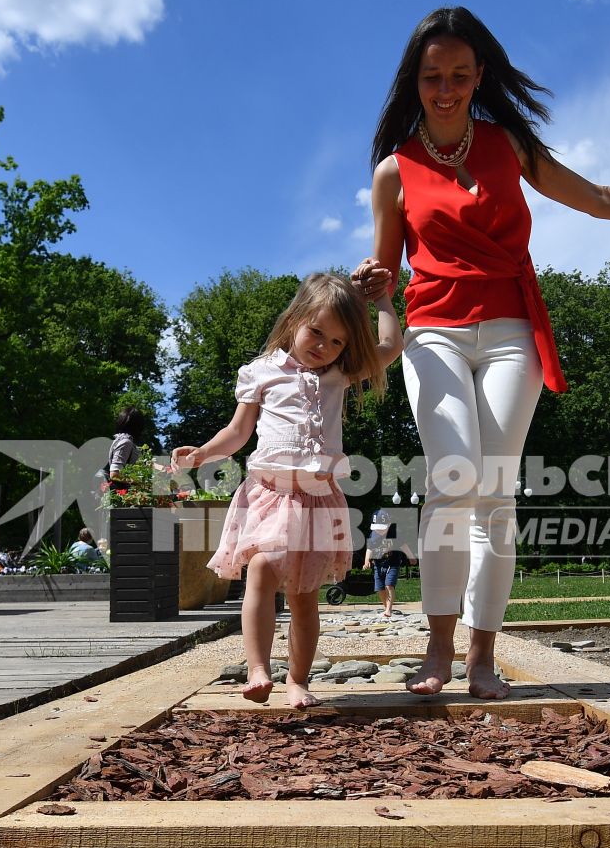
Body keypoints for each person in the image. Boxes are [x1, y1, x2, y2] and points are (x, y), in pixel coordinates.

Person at [351, 6, 610, 701]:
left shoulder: (507, 144)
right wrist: (372, 295)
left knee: (494, 493)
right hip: (434, 332)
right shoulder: (394, 171)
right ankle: (438, 648)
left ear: (480, 75)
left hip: (512, 328)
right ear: (412, 82)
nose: (445, 90)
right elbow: (387, 285)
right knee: (453, 482)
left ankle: (483, 655)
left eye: (458, 75)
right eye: (431, 78)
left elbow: (597, 198)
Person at [172, 273, 401, 706]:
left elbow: (390, 347)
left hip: (317, 500)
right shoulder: (261, 372)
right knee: (260, 568)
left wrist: (384, 302)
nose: (324, 347)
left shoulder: (338, 375)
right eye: (316, 332)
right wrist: (203, 453)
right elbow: (238, 432)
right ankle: (258, 667)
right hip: (270, 494)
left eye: (336, 342)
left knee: (304, 597)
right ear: (295, 318)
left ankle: (298, 680)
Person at [362, 506, 409, 616]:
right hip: (378, 565)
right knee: (380, 588)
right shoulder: (373, 535)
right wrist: (366, 561)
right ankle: (386, 607)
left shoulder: (395, 534)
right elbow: (369, 548)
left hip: (392, 564)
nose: (379, 531)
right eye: (377, 528)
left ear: (388, 524)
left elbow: (404, 546)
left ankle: (388, 609)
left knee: (389, 585)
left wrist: (410, 557)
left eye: (382, 528)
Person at [106, 406, 149, 487]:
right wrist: (140, 483)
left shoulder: (120, 440)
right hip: (123, 493)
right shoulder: (126, 442)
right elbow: (114, 475)